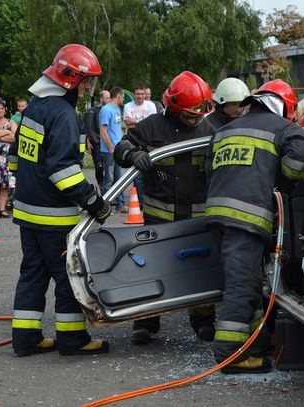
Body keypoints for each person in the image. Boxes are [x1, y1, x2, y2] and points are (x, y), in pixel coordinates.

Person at [8, 44, 111, 357]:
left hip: (27, 211)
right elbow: (63, 170)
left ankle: (25, 339)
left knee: (33, 274)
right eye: (87, 82)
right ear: (71, 80)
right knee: (69, 276)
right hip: (54, 215)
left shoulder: (35, 109)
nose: (89, 88)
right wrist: (94, 201)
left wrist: (32, 184)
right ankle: (72, 340)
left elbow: (15, 159)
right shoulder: (63, 114)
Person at [205, 79, 304, 373]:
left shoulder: (225, 130)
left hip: (217, 217)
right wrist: (284, 184)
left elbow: (208, 169)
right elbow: (301, 156)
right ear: (284, 107)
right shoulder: (282, 128)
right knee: (242, 286)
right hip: (248, 219)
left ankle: (256, 341)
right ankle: (230, 356)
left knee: (247, 281)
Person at [114, 71, 217, 345]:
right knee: (153, 268)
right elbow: (121, 146)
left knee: (200, 266)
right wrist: (133, 154)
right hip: (160, 216)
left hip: (197, 216)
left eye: (199, 113)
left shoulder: (209, 131)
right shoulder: (151, 127)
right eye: (189, 114)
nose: (195, 118)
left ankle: (204, 321)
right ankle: (146, 323)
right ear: (172, 107)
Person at [123, 84, 158, 208]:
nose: (140, 96)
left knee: (151, 170)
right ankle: (139, 202)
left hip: (149, 142)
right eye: (137, 94)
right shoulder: (128, 106)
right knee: (137, 174)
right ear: (133, 94)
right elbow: (128, 123)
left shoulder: (151, 105)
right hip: (135, 142)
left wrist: (135, 122)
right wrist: (143, 123)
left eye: (142, 94)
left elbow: (152, 123)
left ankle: (151, 200)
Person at [99, 87, 126, 213]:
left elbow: (117, 129)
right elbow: (103, 131)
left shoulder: (117, 109)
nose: (123, 99)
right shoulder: (106, 110)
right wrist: (110, 148)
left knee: (119, 178)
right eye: (123, 96)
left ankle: (120, 205)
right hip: (109, 150)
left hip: (118, 149)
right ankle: (104, 207)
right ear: (119, 96)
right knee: (108, 179)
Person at [83, 90, 109, 187]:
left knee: (109, 169)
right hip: (97, 143)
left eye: (110, 97)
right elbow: (88, 128)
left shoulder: (111, 110)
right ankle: (100, 184)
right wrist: (91, 141)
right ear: (101, 99)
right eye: (107, 98)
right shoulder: (93, 111)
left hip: (109, 143)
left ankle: (108, 188)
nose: (109, 100)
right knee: (99, 166)